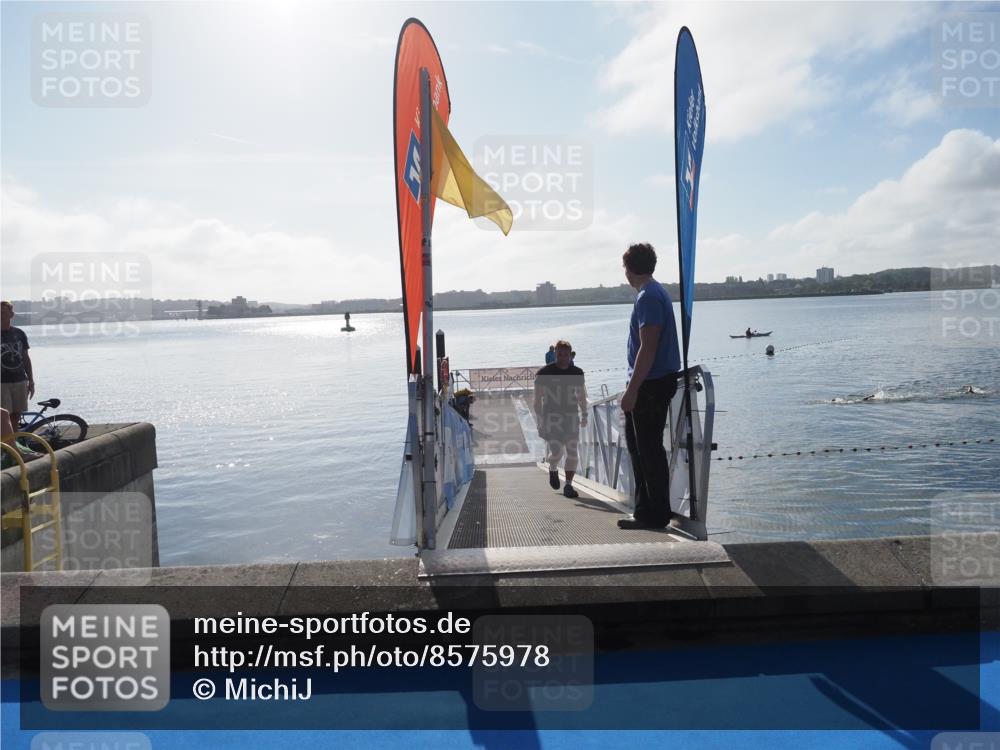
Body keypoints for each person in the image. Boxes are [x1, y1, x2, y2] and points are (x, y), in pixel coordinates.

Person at [617, 243, 682, 530]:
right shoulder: (654, 294)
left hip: (651, 384)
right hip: (653, 381)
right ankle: (646, 510)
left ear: (629, 269)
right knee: (640, 448)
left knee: (647, 450)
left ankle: (654, 514)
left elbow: (648, 347)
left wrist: (632, 390)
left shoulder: (648, 297)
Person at [533, 340, 587, 499]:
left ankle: (569, 485)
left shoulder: (577, 372)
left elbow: (581, 395)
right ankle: (553, 467)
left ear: (571, 355)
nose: (562, 357)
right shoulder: (543, 373)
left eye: (565, 354)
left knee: (572, 451)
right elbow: (537, 400)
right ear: (555, 354)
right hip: (551, 417)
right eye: (559, 354)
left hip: (571, 416)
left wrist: (584, 414)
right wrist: (540, 420)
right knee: (557, 452)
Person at [1, 300, 34, 429]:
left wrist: (31, 381)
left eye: (4, 312)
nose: (1, 315)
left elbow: (26, 358)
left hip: (20, 380)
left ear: (11, 314)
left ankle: (14, 443)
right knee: (4, 416)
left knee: (16, 415)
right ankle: (5, 446)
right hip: (2, 383)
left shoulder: (19, 334)